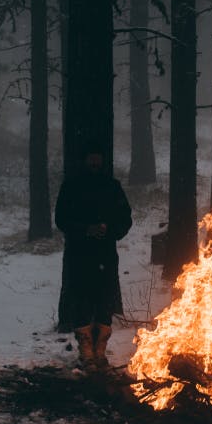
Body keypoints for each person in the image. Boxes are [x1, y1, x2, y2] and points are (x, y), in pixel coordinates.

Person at [54, 140, 132, 372]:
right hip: (80, 253)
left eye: (98, 159)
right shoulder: (71, 187)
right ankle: (86, 352)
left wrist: (111, 230)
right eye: (91, 159)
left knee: (105, 301)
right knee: (81, 300)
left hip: (106, 253)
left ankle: (100, 351)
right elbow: (62, 219)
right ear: (85, 160)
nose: (95, 163)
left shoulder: (112, 187)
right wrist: (85, 229)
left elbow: (125, 218)